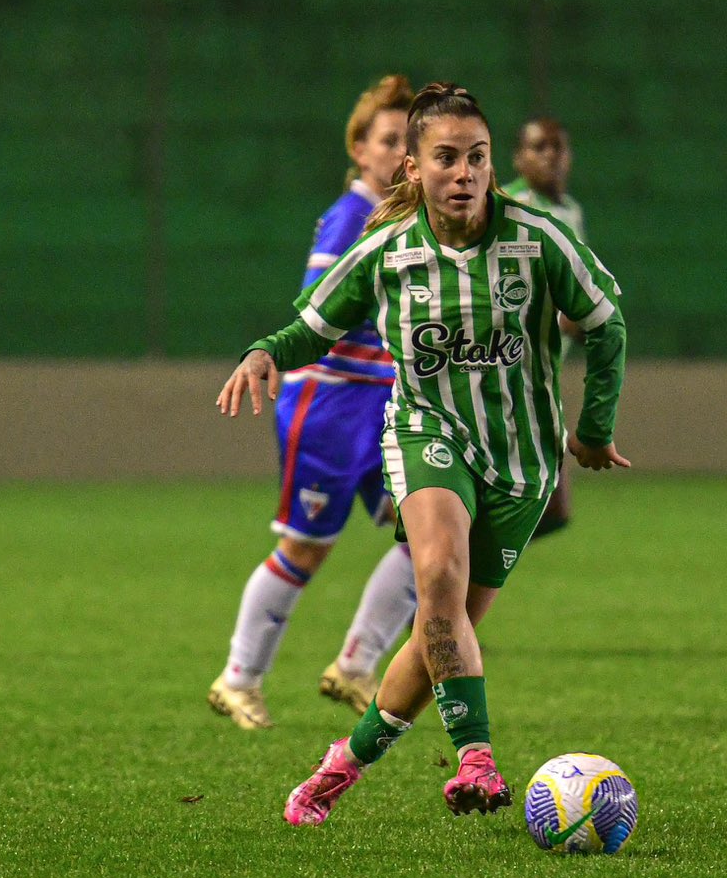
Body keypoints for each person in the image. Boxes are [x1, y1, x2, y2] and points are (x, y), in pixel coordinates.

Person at [216, 83, 631, 826]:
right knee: (435, 571)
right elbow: (314, 326)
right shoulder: (385, 247)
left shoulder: (538, 238)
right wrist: (263, 352)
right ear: (414, 167)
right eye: (446, 157)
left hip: (523, 463)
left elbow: (607, 325)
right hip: (426, 435)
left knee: (440, 632)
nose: (465, 172)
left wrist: (592, 430)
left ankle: (341, 768)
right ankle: (477, 757)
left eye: (477, 156)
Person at [207, 74, 425, 730]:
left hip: (383, 407)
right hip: (328, 408)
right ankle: (238, 678)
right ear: (359, 149)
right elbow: (319, 309)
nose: (399, 153)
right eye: (388, 140)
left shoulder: (403, 221)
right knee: (307, 549)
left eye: (410, 141)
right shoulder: (350, 217)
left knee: (432, 533)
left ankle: (355, 666)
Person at [503, 117, 586, 539]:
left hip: (543, 372)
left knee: (551, 510)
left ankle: (461, 571)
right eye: (539, 147)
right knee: (547, 503)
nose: (550, 156)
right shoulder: (509, 206)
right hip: (506, 368)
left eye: (558, 147)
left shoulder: (569, 212)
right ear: (519, 158)